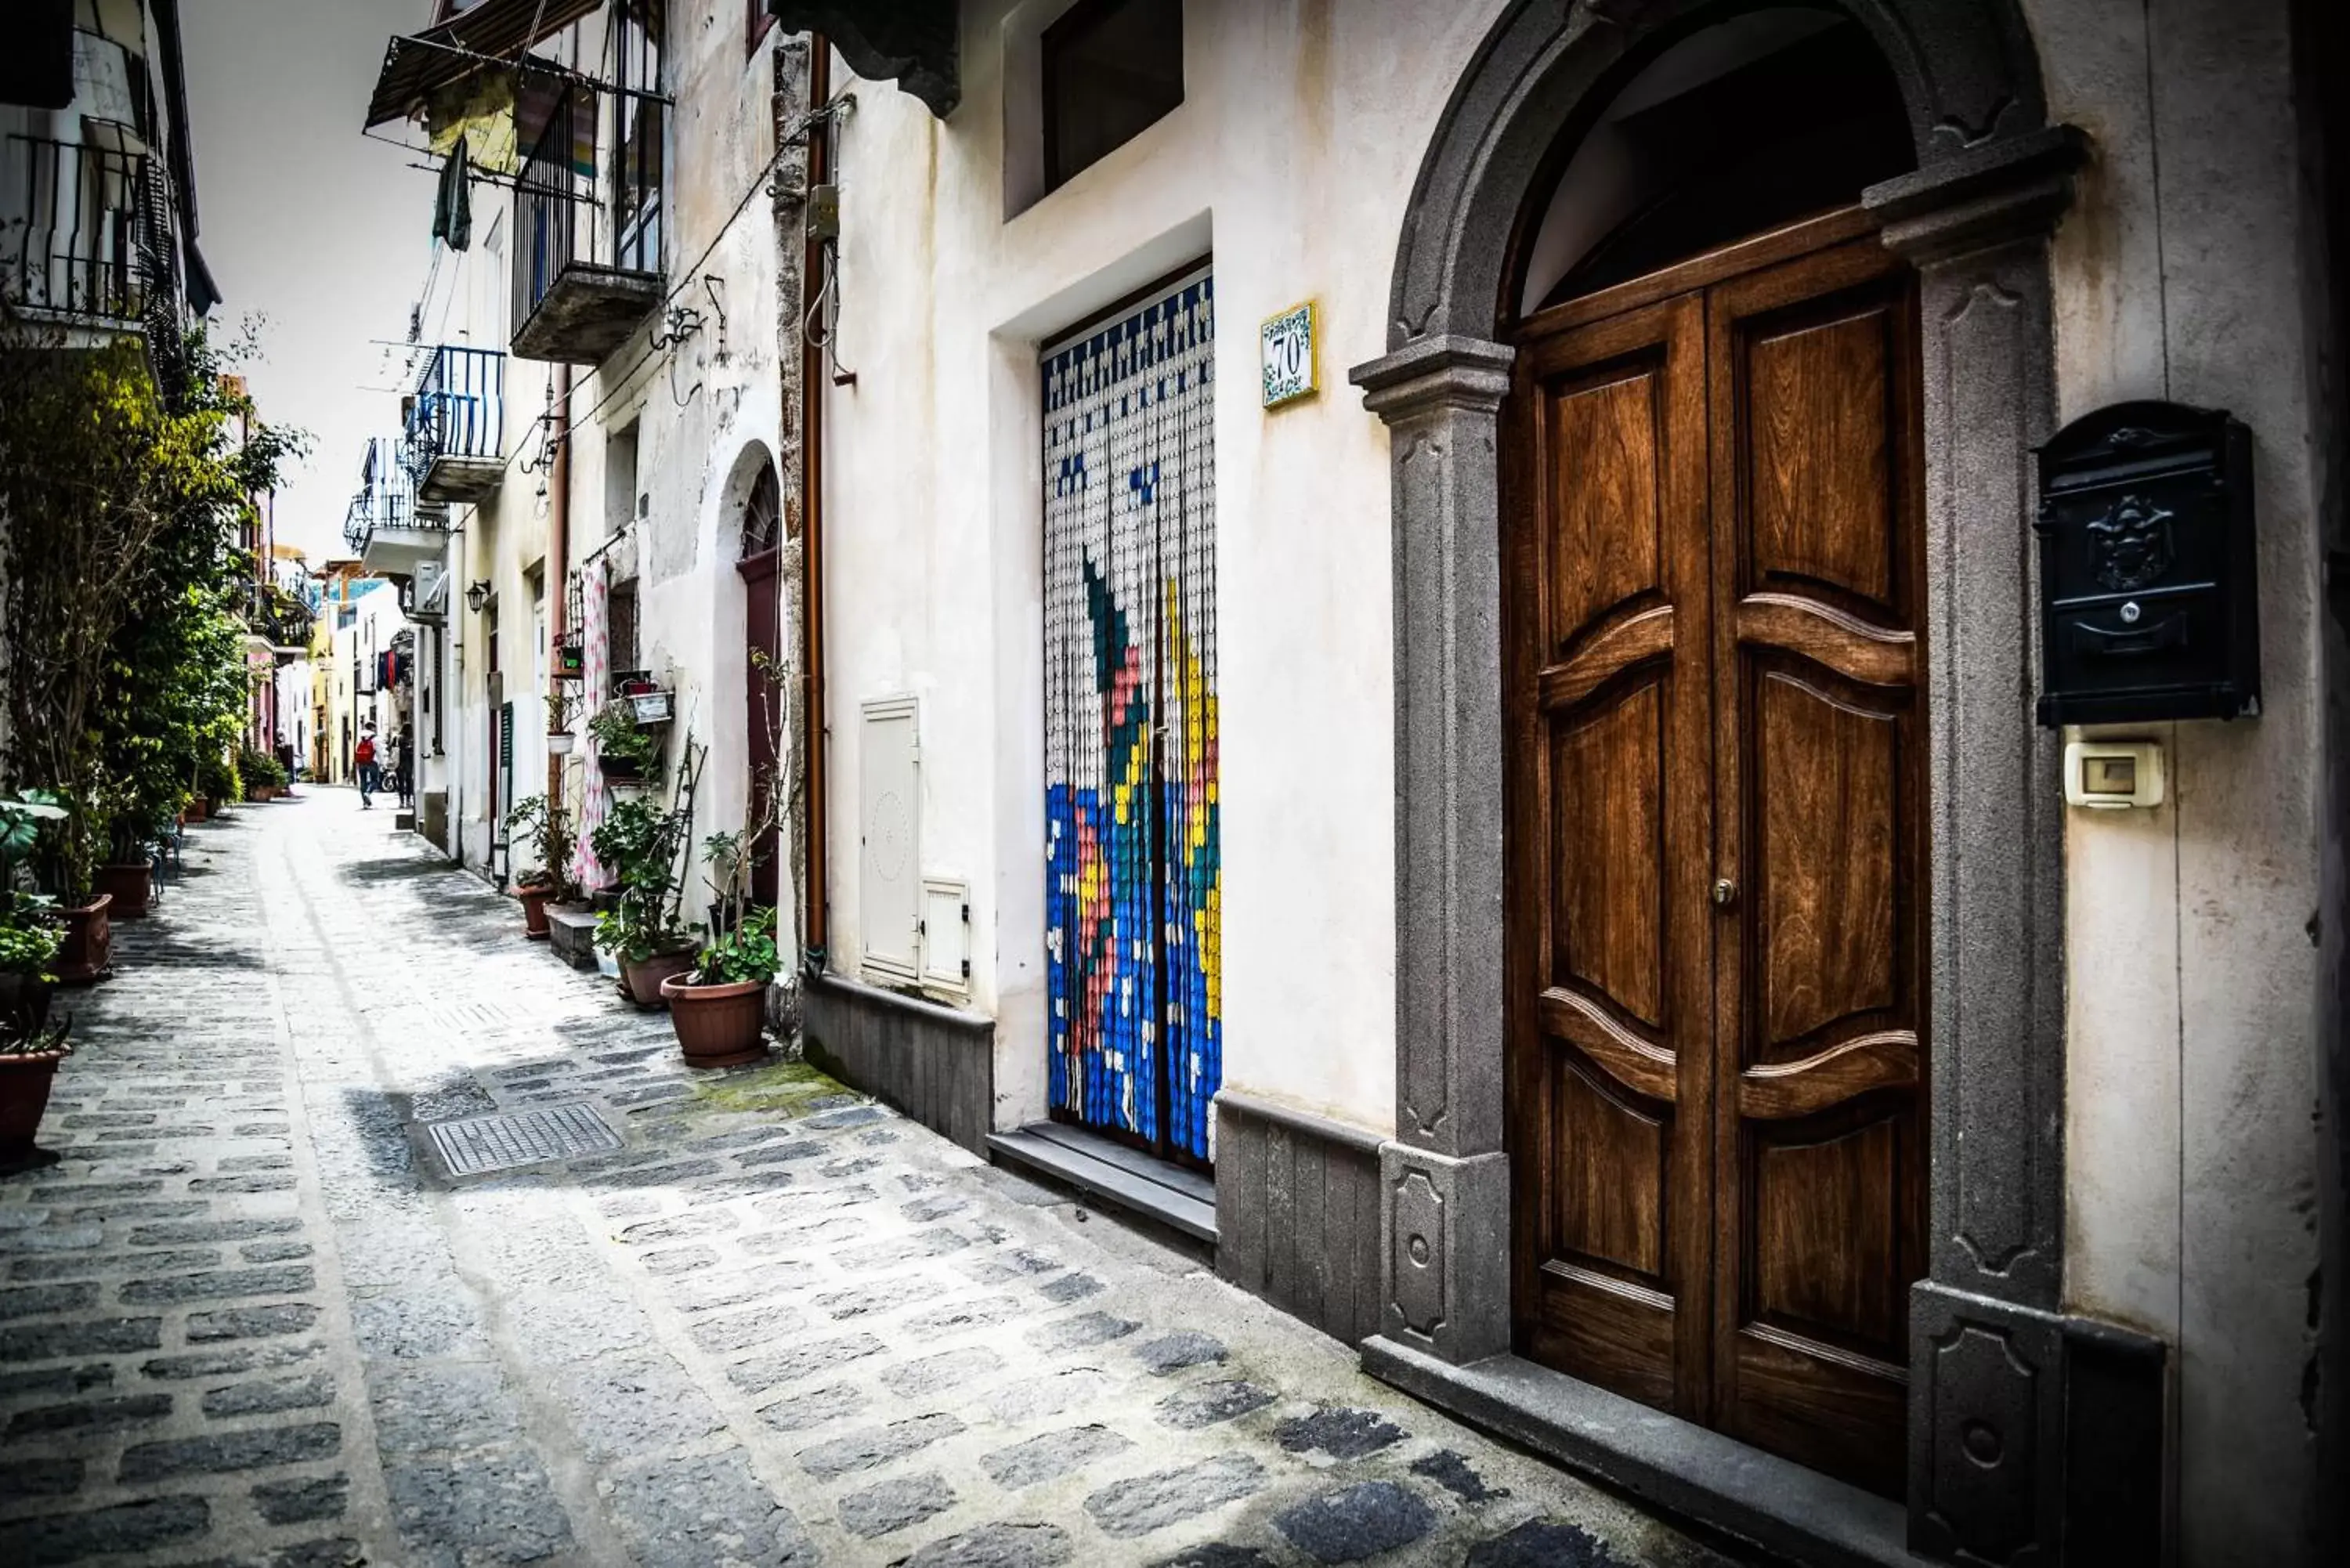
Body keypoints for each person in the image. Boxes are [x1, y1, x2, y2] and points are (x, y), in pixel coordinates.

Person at [355, 727, 379, 809]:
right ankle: (368, 793)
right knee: (375, 781)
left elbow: (356, 751)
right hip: (372, 762)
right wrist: (383, 763)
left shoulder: (360, 740)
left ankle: (365, 803)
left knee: (363, 781)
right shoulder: (375, 739)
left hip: (361, 763)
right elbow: (379, 752)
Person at [395, 731, 416, 811]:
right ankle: (408, 800)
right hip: (408, 765)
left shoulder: (397, 738)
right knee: (409, 782)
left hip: (399, 764)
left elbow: (390, 748)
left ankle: (401, 802)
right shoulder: (411, 740)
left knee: (401, 784)